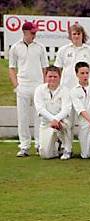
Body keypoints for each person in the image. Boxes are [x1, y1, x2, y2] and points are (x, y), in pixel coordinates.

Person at [8, 21, 49, 157]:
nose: (34, 35)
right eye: (32, 33)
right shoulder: (15, 47)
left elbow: (45, 68)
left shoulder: (40, 47)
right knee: (23, 118)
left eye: (35, 32)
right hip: (23, 86)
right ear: (25, 33)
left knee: (39, 117)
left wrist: (44, 85)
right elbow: (12, 68)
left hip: (38, 86)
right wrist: (16, 86)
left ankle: (39, 144)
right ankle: (24, 146)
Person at [34, 66, 72, 160]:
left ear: (59, 77)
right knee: (45, 154)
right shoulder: (39, 90)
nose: (52, 79)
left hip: (62, 122)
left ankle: (67, 149)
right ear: (45, 77)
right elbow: (40, 109)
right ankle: (56, 146)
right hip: (47, 123)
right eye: (50, 76)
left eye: (55, 77)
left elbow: (66, 109)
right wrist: (53, 120)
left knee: (66, 124)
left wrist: (57, 119)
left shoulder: (65, 90)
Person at [55, 24, 90, 91]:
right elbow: (58, 70)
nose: (76, 36)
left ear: (82, 35)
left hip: (85, 88)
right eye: (74, 34)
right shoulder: (63, 50)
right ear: (70, 36)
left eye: (78, 34)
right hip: (67, 87)